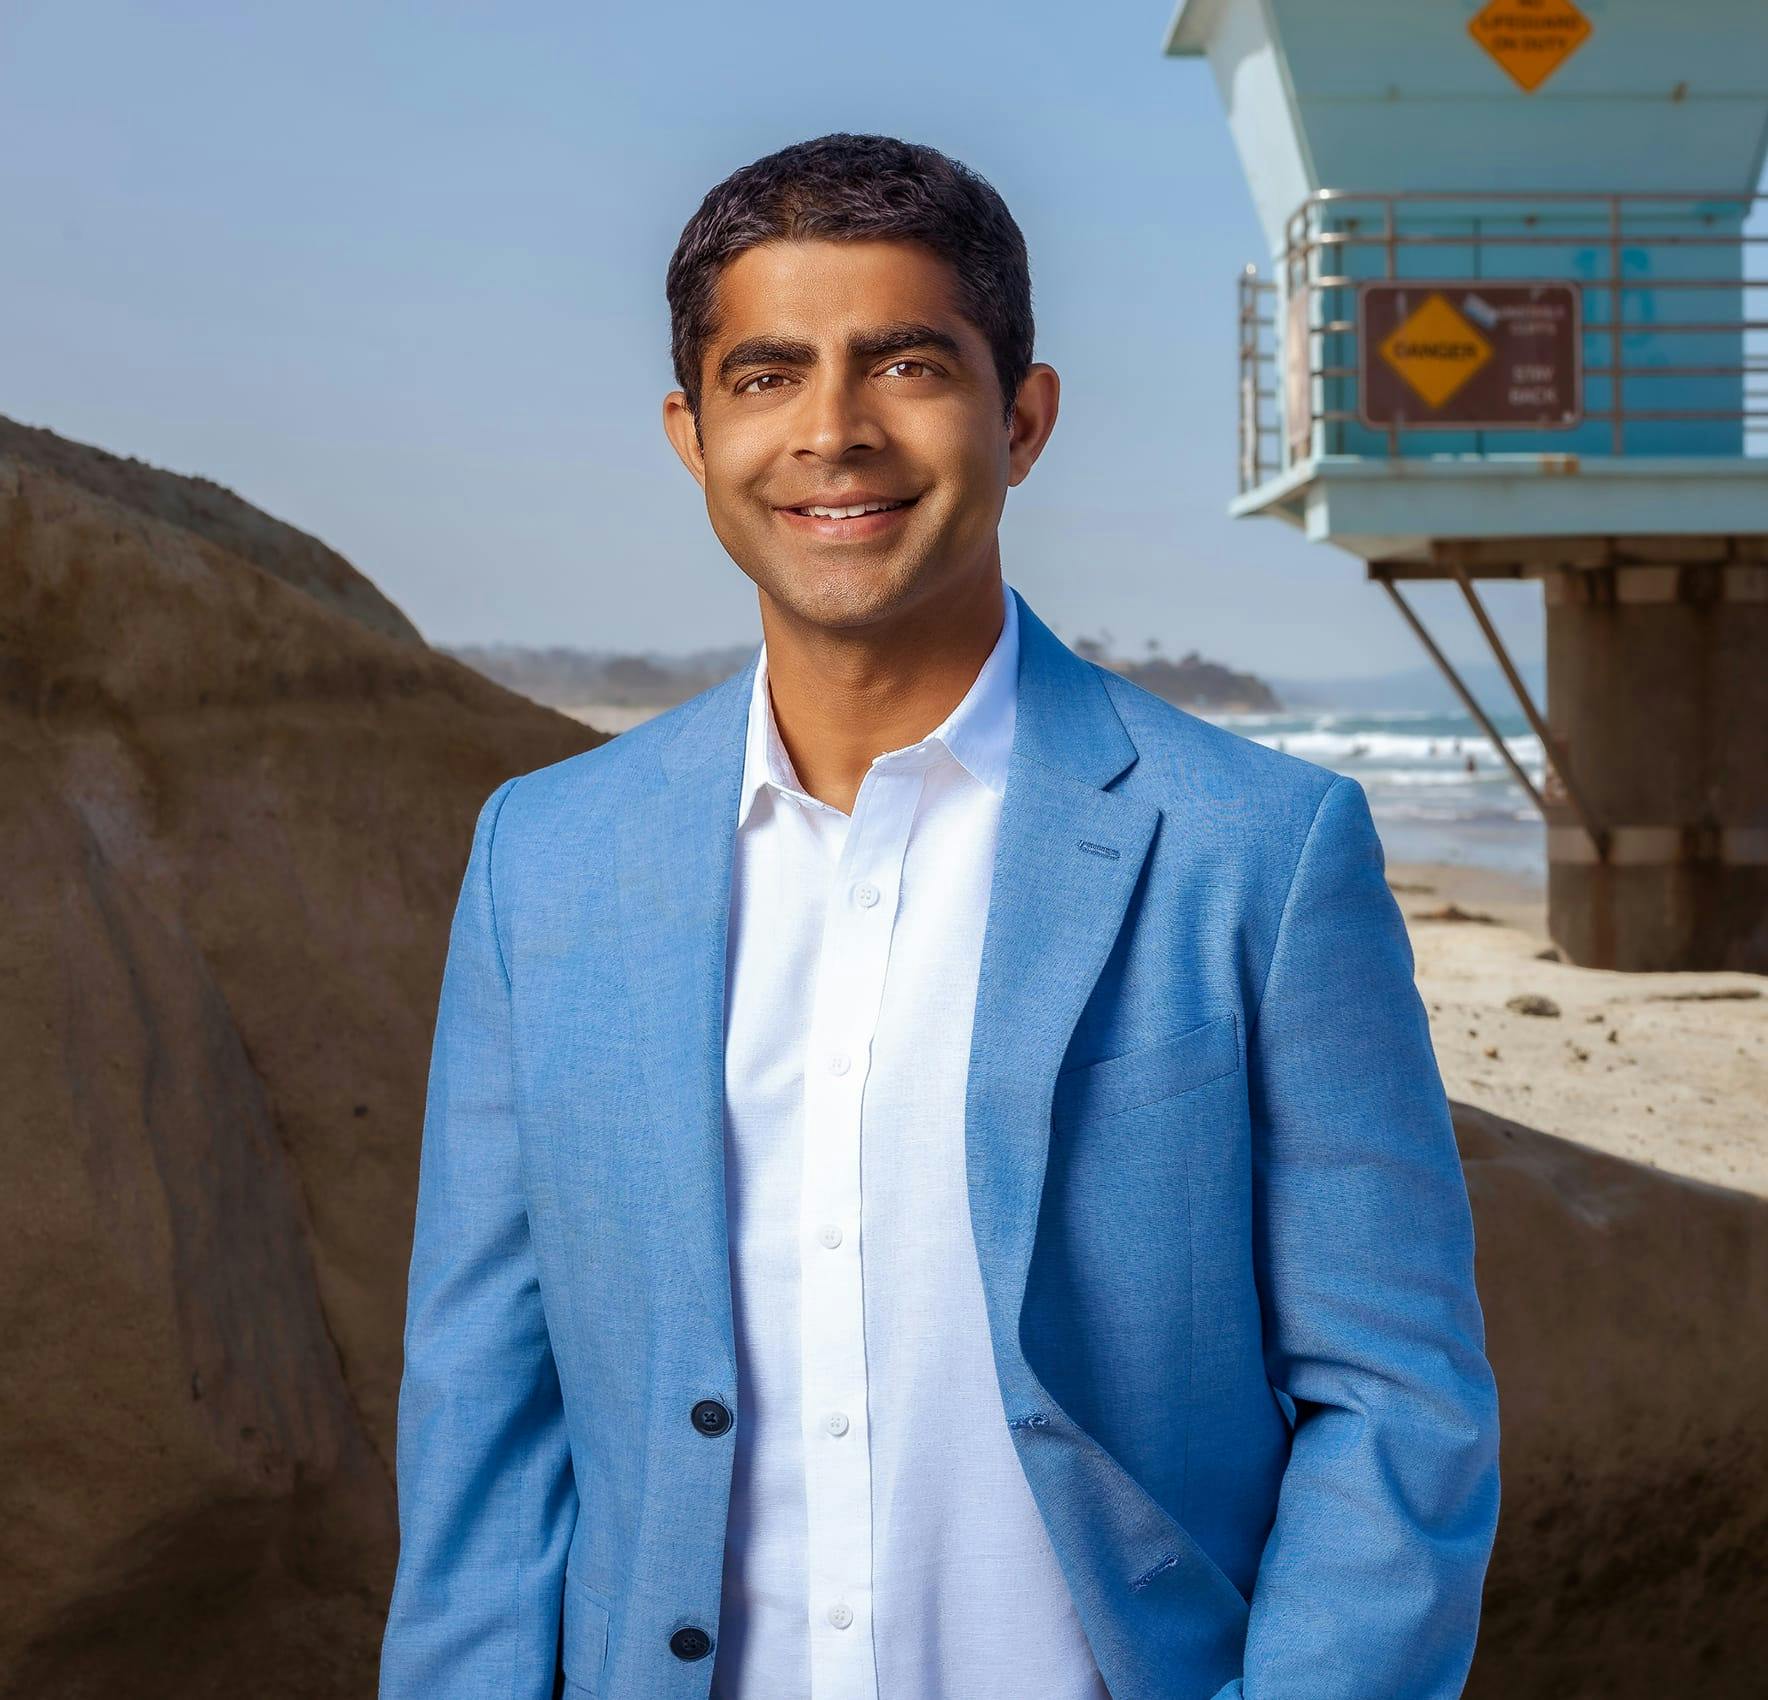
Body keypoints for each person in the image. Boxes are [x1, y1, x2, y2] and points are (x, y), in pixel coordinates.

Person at [377, 132, 1500, 1700]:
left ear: (1022, 418)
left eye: (905, 362)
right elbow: (486, 1431)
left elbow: (1399, 1406)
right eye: (767, 377)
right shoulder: (544, 863)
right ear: (689, 435)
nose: (834, 432)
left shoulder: (1263, 851)